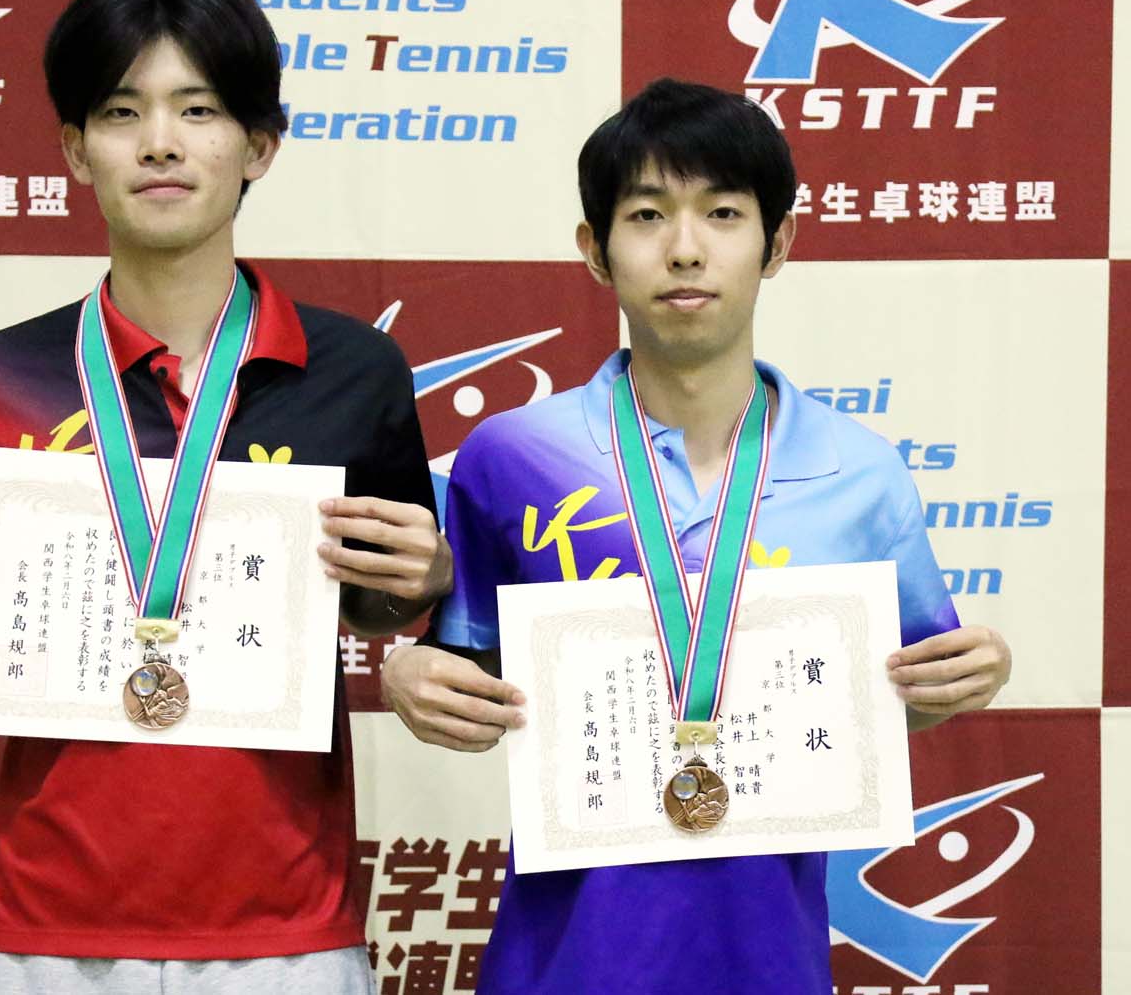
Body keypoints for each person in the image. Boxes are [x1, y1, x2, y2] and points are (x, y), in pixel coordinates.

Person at [0, 0, 451, 995]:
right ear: (76, 149)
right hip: (39, 928)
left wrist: (424, 575)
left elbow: (380, 607)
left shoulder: (351, 372)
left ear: (260, 144)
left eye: (198, 110)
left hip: (286, 928)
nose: (159, 142)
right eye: (121, 112)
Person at [381, 77, 1012, 993]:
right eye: (646, 215)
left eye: (722, 213)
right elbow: (468, 671)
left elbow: (902, 693)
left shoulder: (862, 473)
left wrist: (965, 675)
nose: (684, 248)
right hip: (559, 964)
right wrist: (413, 673)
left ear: (778, 243)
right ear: (595, 251)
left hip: (769, 961)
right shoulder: (512, 455)